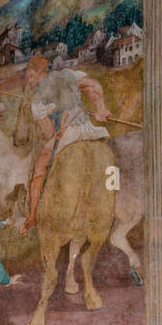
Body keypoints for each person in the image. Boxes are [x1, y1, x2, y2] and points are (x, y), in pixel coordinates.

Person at [22, 62, 113, 231]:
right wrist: (101, 109)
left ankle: (32, 216)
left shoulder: (37, 99)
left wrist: (55, 134)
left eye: (30, 76)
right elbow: (92, 85)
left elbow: (49, 132)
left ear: (38, 73)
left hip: (68, 135)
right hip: (87, 129)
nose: (29, 82)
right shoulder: (68, 74)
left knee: (40, 167)